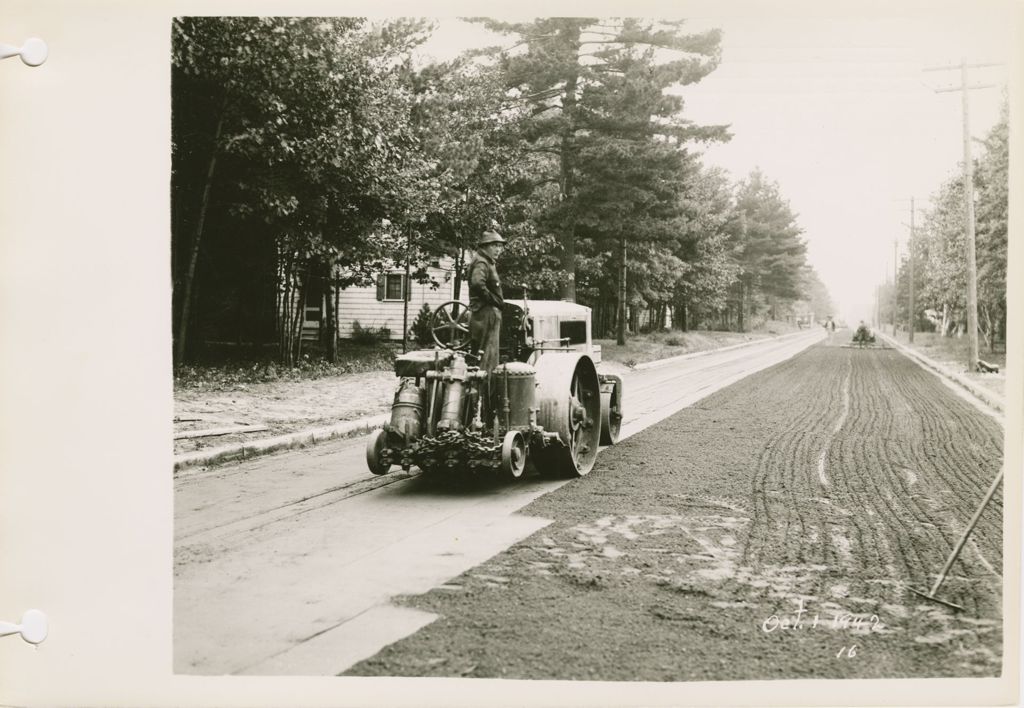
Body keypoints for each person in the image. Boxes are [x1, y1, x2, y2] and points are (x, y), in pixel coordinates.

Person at [468, 229, 505, 372]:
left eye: (500, 246)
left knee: (485, 357)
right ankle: (485, 392)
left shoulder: (486, 261)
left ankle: (483, 391)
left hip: (484, 313)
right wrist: (494, 300)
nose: (498, 249)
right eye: (494, 245)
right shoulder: (482, 262)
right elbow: (477, 283)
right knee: (488, 358)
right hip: (486, 314)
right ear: (484, 246)